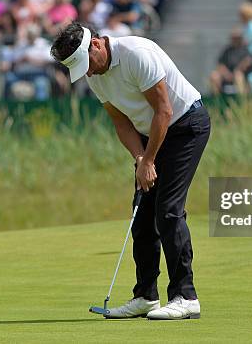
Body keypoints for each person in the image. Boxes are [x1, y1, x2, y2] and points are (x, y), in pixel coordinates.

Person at [50, 22, 209, 320]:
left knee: (169, 211)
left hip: (186, 126)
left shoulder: (137, 53)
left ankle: (186, 297)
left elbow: (164, 110)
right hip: (150, 135)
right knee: (143, 217)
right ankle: (146, 297)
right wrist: (139, 158)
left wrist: (149, 161)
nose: (87, 73)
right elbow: (121, 122)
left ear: (96, 45)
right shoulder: (94, 74)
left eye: (86, 64)